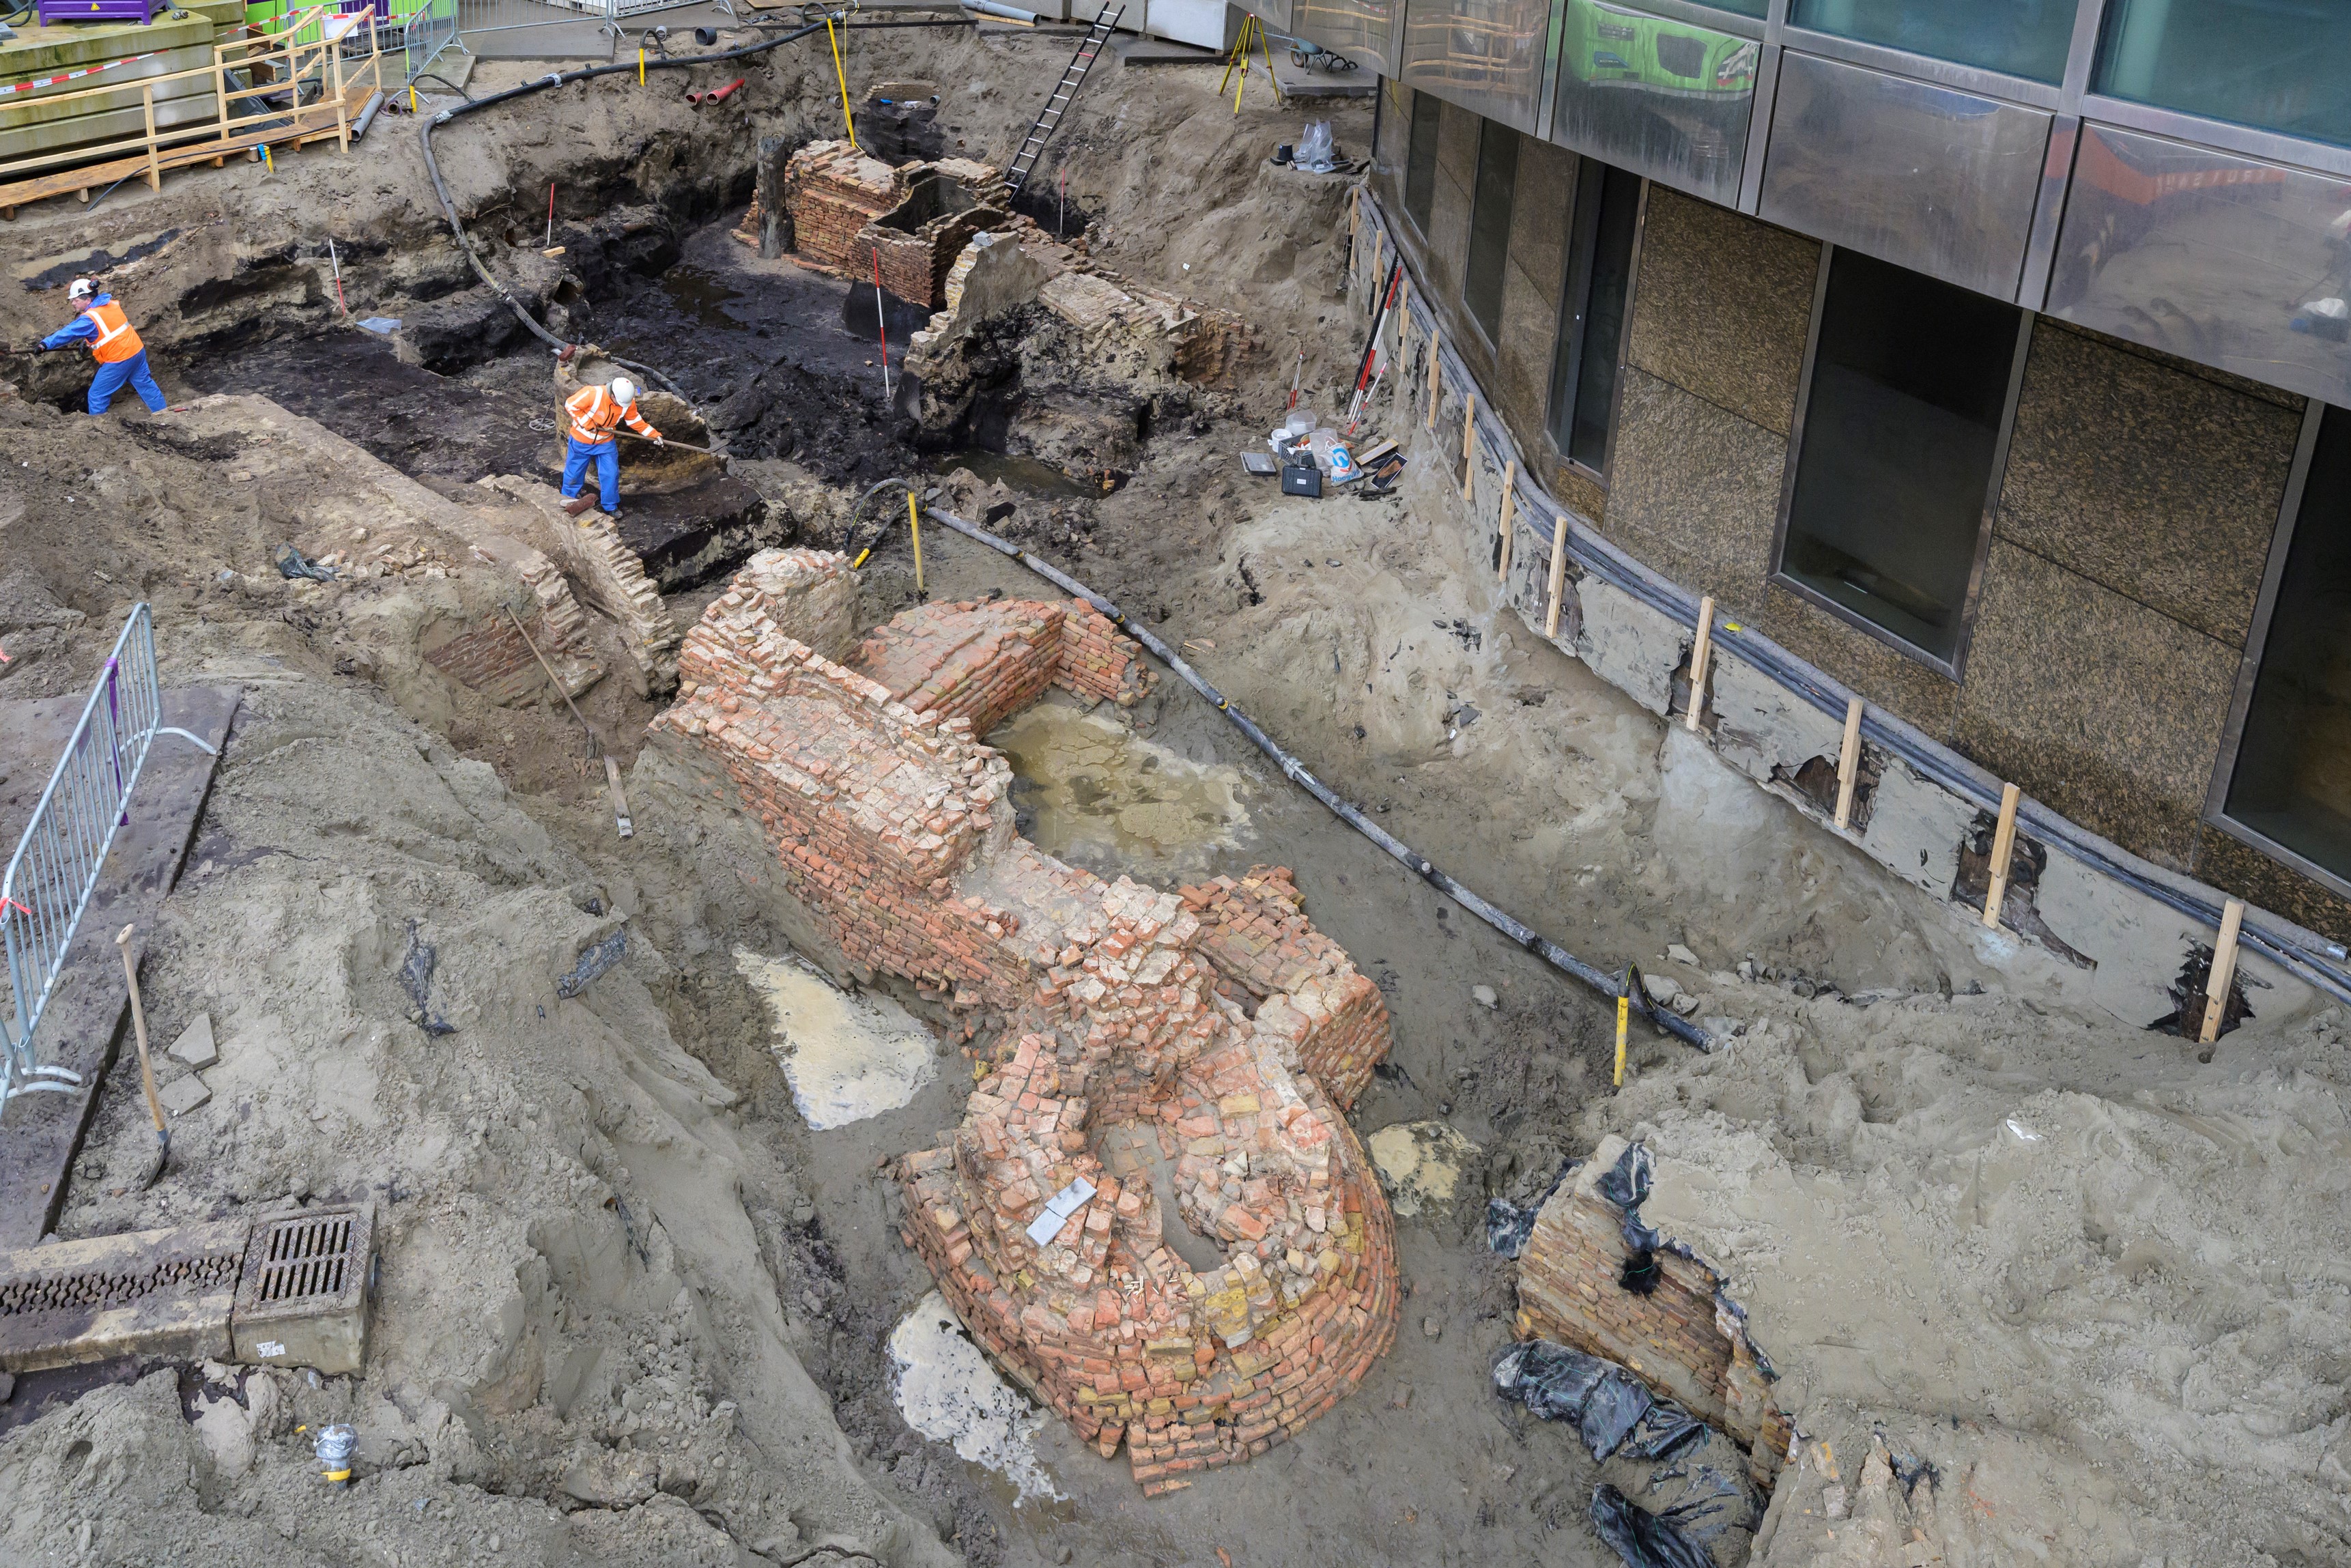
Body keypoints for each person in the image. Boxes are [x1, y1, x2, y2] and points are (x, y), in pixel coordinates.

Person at [38, 278, 166, 416]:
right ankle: (165, 415)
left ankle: (99, 430)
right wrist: (88, 342)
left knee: (97, 395)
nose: (73, 303)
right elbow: (108, 330)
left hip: (120, 359)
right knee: (146, 385)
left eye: (75, 300)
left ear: (87, 300)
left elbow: (67, 334)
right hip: (136, 351)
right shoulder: (110, 305)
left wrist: (45, 344)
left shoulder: (89, 318)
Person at [560, 375, 661, 520]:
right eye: (619, 403)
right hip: (581, 440)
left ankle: (611, 506)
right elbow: (570, 404)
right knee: (574, 473)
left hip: (605, 443)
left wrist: (653, 434)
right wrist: (588, 423)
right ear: (612, 394)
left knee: (611, 474)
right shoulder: (592, 394)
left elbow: (635, 420)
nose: (622, 407)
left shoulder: (627, 401)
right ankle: (568, 500)